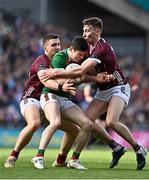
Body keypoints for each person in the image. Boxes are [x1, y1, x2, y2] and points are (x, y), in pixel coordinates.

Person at [41, 17, 147, 170]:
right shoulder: (88, 48)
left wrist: (55, 72)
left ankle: (138, 149)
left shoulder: (101, 48)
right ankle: (115, 147)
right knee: (86, 122)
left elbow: (82, 70)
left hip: (119, 87)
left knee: (111, 121)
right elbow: (82, 72)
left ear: (97, 31)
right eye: (83, 30)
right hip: (103, 89)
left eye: (87, 30)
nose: (84, 33)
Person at [31, 36, 114, 170]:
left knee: (87, 124)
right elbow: (55, 79)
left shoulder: (82, 59)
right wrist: (74, 78)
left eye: (83, 55)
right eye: (79, 54)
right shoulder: (60, 57)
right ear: (71, 49)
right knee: (55, 122)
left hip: (64, 99)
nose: (81, 57)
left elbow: (81, 76)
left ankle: (73, 160)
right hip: (50, 94)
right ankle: (38, 156)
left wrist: (93, 78)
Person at [4, 33, 80, 168]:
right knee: (34, 123)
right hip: (32, 98)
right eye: (53, 45)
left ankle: (60, 160)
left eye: (58, 44)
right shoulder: (41, 61)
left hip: (51, 99)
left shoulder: (63, 59)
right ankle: (13, 156)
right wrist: (62, 86)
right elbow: (46, 81)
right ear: (45, 47)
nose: (57, 47)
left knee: (74, 130)